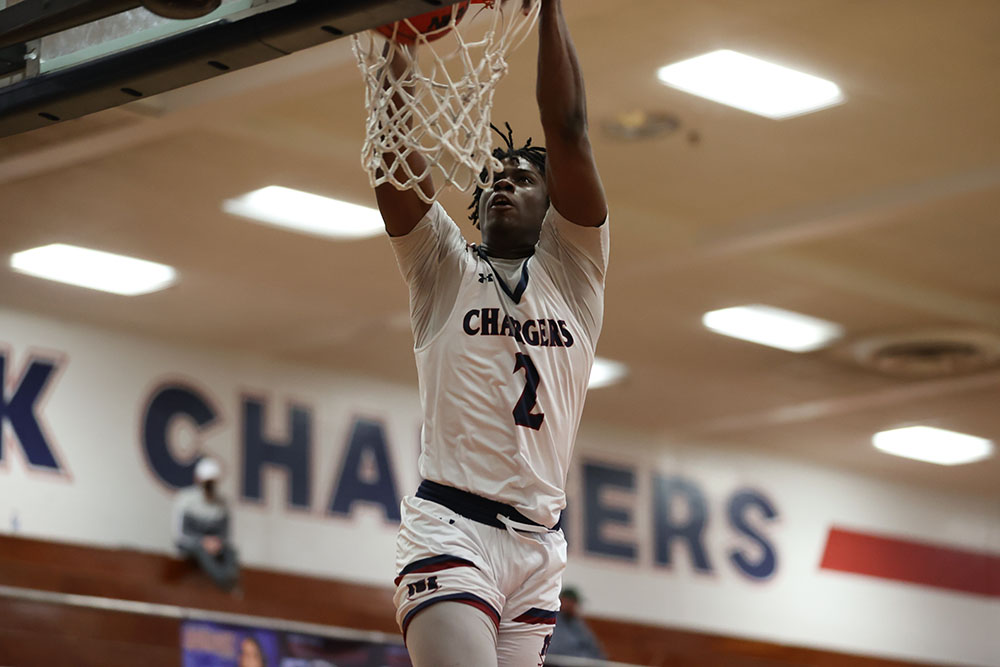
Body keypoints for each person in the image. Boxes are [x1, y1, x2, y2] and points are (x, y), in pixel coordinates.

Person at [373, 0, 609, 665]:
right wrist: (396, 46)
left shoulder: (577, 276)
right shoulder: (443, 267)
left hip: (539, 549)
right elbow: (395, 166)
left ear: (552, 204)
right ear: (475, 207)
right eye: (493, 178)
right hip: (452, 530)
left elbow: (568, 128)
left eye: (525, 178)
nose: (505, 182)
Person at [172, 457, 240, 591]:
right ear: (198, 479)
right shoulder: (185, 500)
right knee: (202, 551)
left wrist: (217, 543)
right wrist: (202, 542)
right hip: (191, 546)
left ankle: (232, 583)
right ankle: (224, 583)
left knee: (231, 552)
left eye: (212, 482)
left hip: (214, 547)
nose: (209, 486)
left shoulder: (222, 504)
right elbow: (179, 535)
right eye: (207, 482)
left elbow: (226, 536)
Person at [547, 587, 605, 660]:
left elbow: (595, 650)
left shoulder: (577, 623)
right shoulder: (552, 622)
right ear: (561, 601)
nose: (573, 606)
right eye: (570, 602)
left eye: (575, 603)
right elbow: (557, 650)